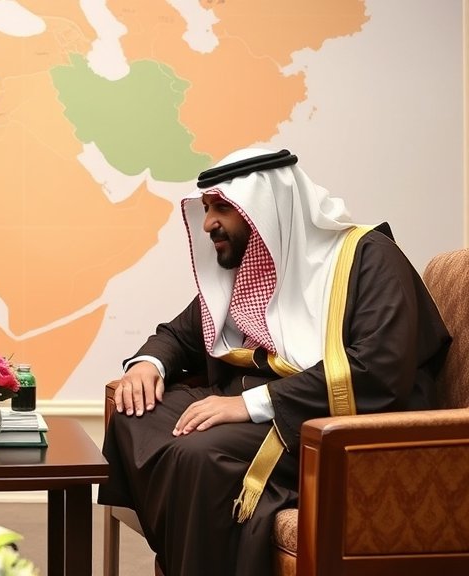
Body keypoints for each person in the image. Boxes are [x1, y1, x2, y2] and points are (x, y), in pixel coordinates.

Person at [98, 148, 451, 576]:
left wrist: (247, 406)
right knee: (135, 415)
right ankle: (187, 547)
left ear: (267, 207)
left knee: (198, 456)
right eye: (207, 208)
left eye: (223, 207)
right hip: (261, 406)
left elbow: (378, 368)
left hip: (333, 421)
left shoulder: (369, 258)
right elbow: (179, 334)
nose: (209, 222)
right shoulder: (250, 267)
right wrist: (147, 365)